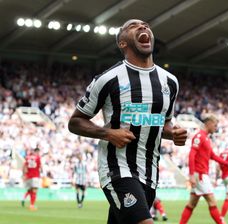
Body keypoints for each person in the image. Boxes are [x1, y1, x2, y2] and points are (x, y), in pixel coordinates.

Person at [68, 19, 187, 224]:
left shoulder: (170, 81)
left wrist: (173, 133)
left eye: (145, 25)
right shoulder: (107, 79)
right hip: (117, 168)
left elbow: (162, 123)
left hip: (149, 172)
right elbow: (75, 122)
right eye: (133, 26)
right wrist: (108, 133)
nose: (143, 27)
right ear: (122, 43)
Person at [179, 115, 228, 224]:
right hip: (199, 174)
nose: (216, 128)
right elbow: (192, 154)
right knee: (212, 202)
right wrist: (191, 174)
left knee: (191, 204)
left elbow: (213, 156)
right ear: (208, 123)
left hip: (200, 174)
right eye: (215, 125)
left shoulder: (206, 138)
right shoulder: (199, 136)